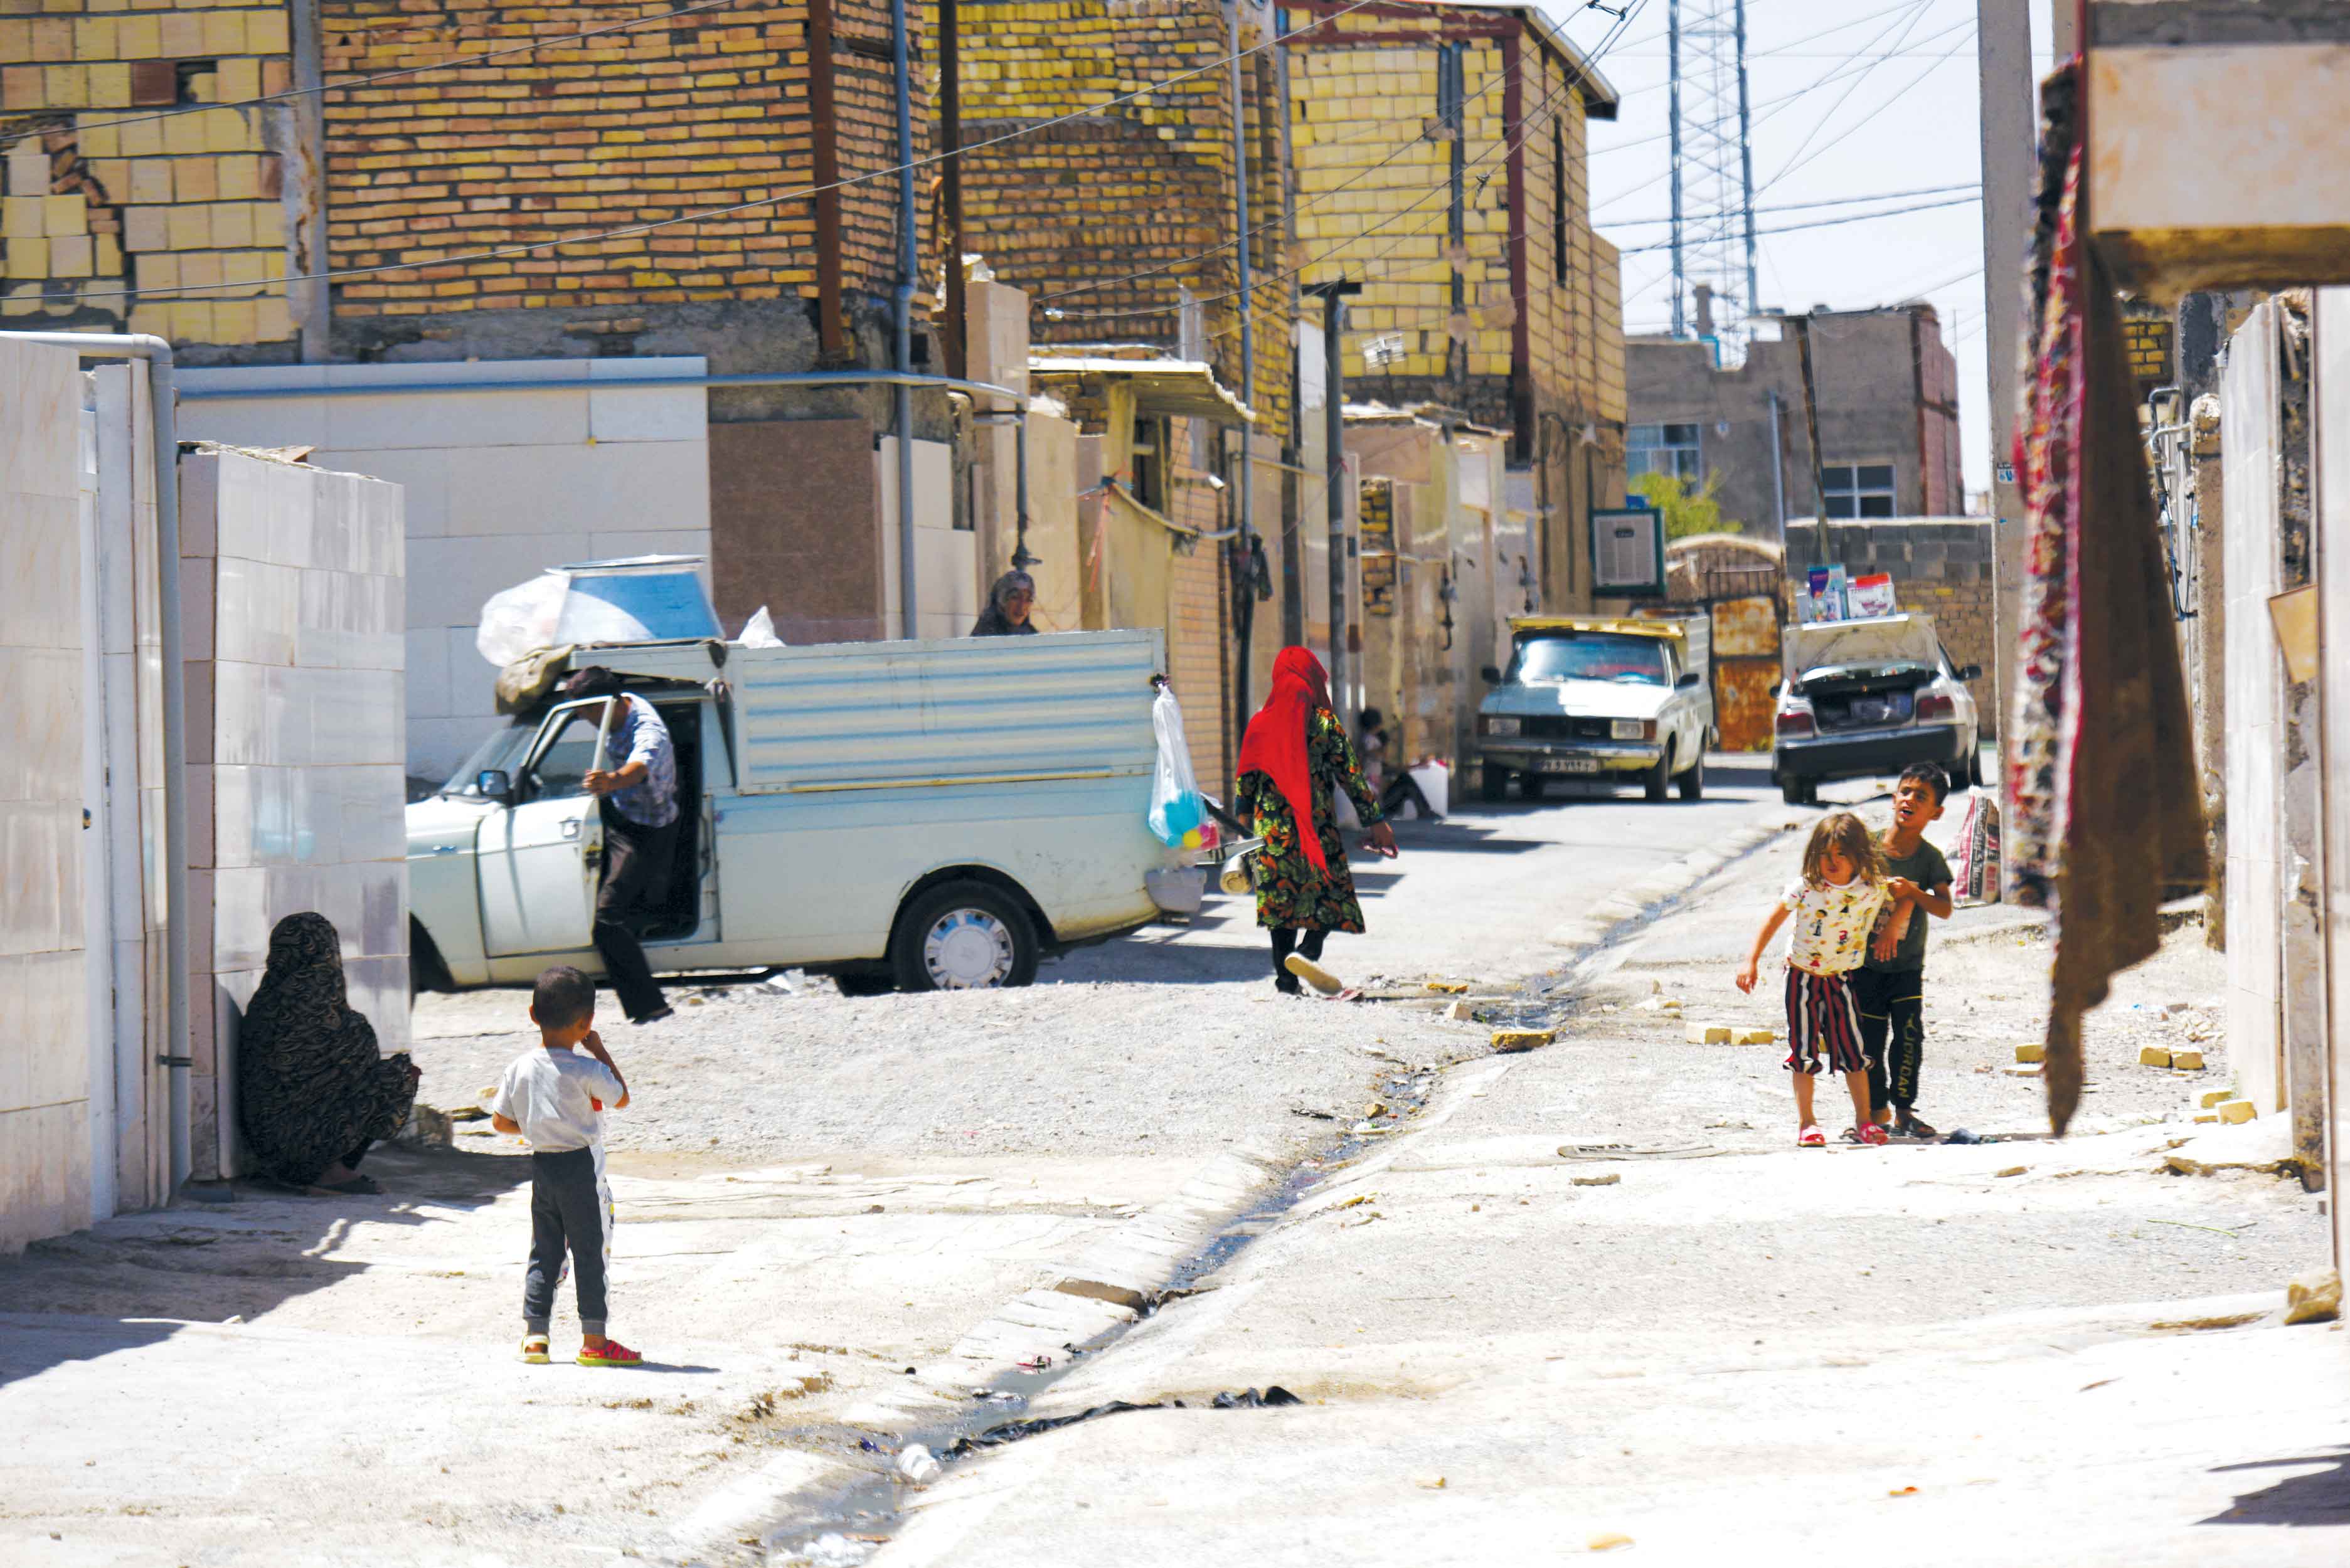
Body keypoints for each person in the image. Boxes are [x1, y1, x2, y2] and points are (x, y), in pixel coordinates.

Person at [489, 965, 643, 1369]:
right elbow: (622, 1098)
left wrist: (540, 1124)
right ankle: (594, 1340)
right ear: (586, 1022)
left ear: (533, 1014)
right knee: (590, 1251)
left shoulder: (519, 1068)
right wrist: (600, 1051)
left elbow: (500, 1122)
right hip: (580, 1169)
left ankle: (535, 1337)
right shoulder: (588, 1069)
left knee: (545, 1251)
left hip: (542, 1169)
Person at [1235, 647, 1399, 997]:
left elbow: (1245, 784)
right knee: (1331, 894)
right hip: (1316, 828)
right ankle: (1306, 953)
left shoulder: (1261, 724)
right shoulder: (1325, 725)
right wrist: (1376, 821)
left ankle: (1286, 979)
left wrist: (1245, 824)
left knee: (1281, 905)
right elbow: (1352, 778)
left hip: (1272, 834)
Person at [1735, 812, 1899, 1148]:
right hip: (1803, 979)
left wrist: (1893, 930)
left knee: (1855, 1051)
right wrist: (1750, 961)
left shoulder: (1872, 889)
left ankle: (1864, 1122)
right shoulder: (1806, 888)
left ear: (1857, 856)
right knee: (1805, 1052)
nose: (1833, 862)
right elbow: (1773, 920)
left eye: (1842, 854)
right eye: (1825, 854)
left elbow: (1904, 893)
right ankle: (1807, 1123)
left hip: (1841, 978)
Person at [236, 911, 420, 1195]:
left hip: (267, 1149)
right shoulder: (340, 1022)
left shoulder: (264, 1004)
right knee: (395, 1077)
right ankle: (331, 1173)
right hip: (308, 1149)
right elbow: (365, 1069)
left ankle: (326, 1168)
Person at [563, 667, 678, 1027]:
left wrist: (611, 781)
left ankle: (650, 1006)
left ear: (609, 704)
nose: (583, 717)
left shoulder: (648, 729)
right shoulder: (620, 707)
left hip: (646, 827)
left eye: (586, 710)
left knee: (608, 920)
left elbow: (640, 767)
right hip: (622, 812)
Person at [1859, 764, 1958, 1139]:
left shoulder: (1929, 859)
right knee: (1868, 1039)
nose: (1910, 800)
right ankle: (1874, 1111)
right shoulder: (1866, 847)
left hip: (1907, 967)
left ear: (1936, 812)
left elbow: (1945, 908)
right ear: (1894, 797)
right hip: (1864, 964)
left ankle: (1904, 1112)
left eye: (1922, 797)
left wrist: (1913, 894)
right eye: (1905, 792)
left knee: (1908, 1037)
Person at [1356, 707, 1441, 821]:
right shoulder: (1370, 750)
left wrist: (1418, 766)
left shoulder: (1373, 760)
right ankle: (1424, 811)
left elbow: (1394, 769)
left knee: (1404, 779)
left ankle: (1424, 811)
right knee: (1406, 782)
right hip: (1377, 806)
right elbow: (1379, 757)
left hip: (1378, 802)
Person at [970, 569, 1039, 637]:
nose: (1022, 606)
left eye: (1028, 600)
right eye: (1015, 597)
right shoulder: (986, 635)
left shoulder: (1032, 636)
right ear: (1001, 600)